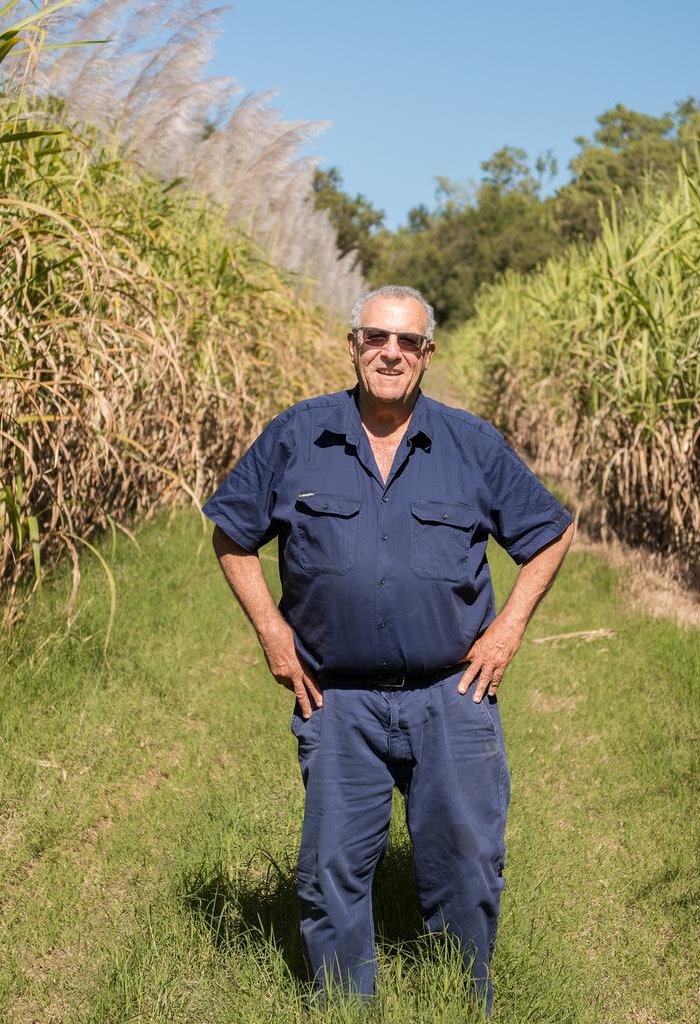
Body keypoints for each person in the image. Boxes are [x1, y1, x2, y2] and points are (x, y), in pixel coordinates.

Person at [201, 284, 574, 1015]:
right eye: (376, 337)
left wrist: (509, 628)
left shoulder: (470, 444)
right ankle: (346, 1007)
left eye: (407, 342)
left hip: (452, 694)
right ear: (353, 345)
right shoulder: (298, 436)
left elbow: (549, 533)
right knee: (331, 869)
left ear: (428, 354)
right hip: (335, 697)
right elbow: (231, 533)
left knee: (466, 863)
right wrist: (273, 633)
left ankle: (462, 1001)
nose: (390, 352)